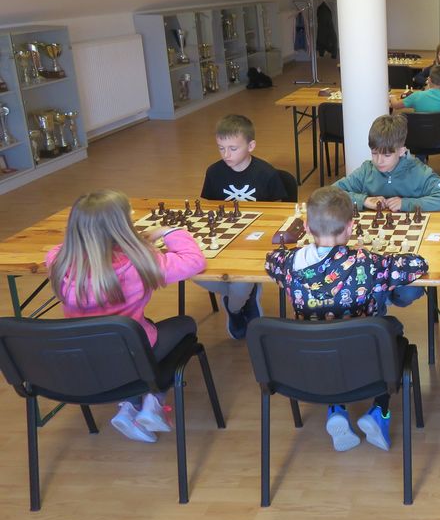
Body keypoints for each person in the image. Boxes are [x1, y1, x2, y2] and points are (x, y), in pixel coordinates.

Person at [265, 187, 429, 452]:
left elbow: (270, 260)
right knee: (390, 330)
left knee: (328, 338)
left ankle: (336, 409)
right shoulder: (368, 264)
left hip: (309, 363)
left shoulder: (288, 265)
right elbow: (418, 265)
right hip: (366, 365)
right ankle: (379, 412)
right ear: (350, 227)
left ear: (306, 227)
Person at [45, 190, 207, 443]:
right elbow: (194, 261)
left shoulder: (58, 261)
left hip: (82, 355)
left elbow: (64, 248)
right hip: (131, 349)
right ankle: (154, 401)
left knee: (130, 346)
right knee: (186, 325)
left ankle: (130, 407)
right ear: (121, 227)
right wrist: (167, 231)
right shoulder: (139, 261)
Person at [199, 114, 287, 339]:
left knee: (239, 281)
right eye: (221, 148)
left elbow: (279, 213)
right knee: (193, 269)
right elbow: (208, 208)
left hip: (257, 243)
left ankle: (235, 308)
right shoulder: (213, 172)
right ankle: (245, 295)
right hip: (223, 239)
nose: (226, 155)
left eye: (233, 148)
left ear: (251, 146)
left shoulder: (266, 173)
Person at [334, 114, 440, 212]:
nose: (379, 161)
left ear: (401, 151)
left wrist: (406, 204)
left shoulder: (419, 172)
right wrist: (364, 200)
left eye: (387, 155)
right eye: (374, 153)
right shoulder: (366, 171)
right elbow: (330, 193)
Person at [391, 64, 440, 172]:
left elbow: (396, 105)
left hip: (419, 139)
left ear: (429, 80)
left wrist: (392, 97)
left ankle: (420, 168)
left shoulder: (416, 96)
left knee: (422, 134)